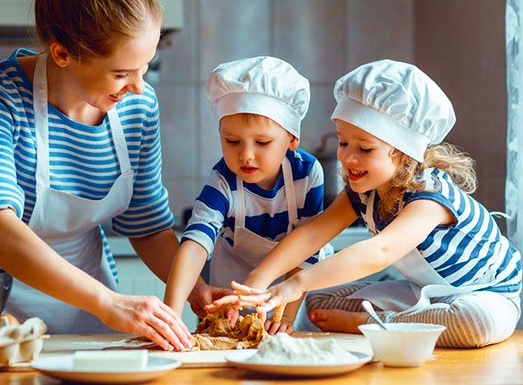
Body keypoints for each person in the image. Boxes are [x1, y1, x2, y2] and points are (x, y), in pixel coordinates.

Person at [0, 0, 200, 351]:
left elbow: (147, 225)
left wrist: (198, 291)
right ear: (62, 54)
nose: (139, 86)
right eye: (122, 73)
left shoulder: (138, 105)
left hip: (87, 303)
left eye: (145, 67)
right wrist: (108, 302)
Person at [217, 59, 522, 348]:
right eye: (343, 142)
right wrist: (259, 281)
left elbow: (380, 252)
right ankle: (400, 323)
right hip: (426, 295)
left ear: (404, 153)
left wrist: (295, 283)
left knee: (475, 323)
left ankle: (376, 323)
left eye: (364, 148)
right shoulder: (363, 192)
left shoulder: (431, 196)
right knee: (318, 302)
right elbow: (312, 234)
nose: (348, 157)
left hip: (488, 295)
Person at [164, 56, 333, 334]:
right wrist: (170, 315)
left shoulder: (307, 173)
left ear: (292, 139)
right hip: (230, 292)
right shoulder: (223, 180)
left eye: (262, 142)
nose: (246, 155)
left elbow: (307, 249)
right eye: (232, 141)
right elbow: (194, 245)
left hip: (289, 293)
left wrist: (284, 319)